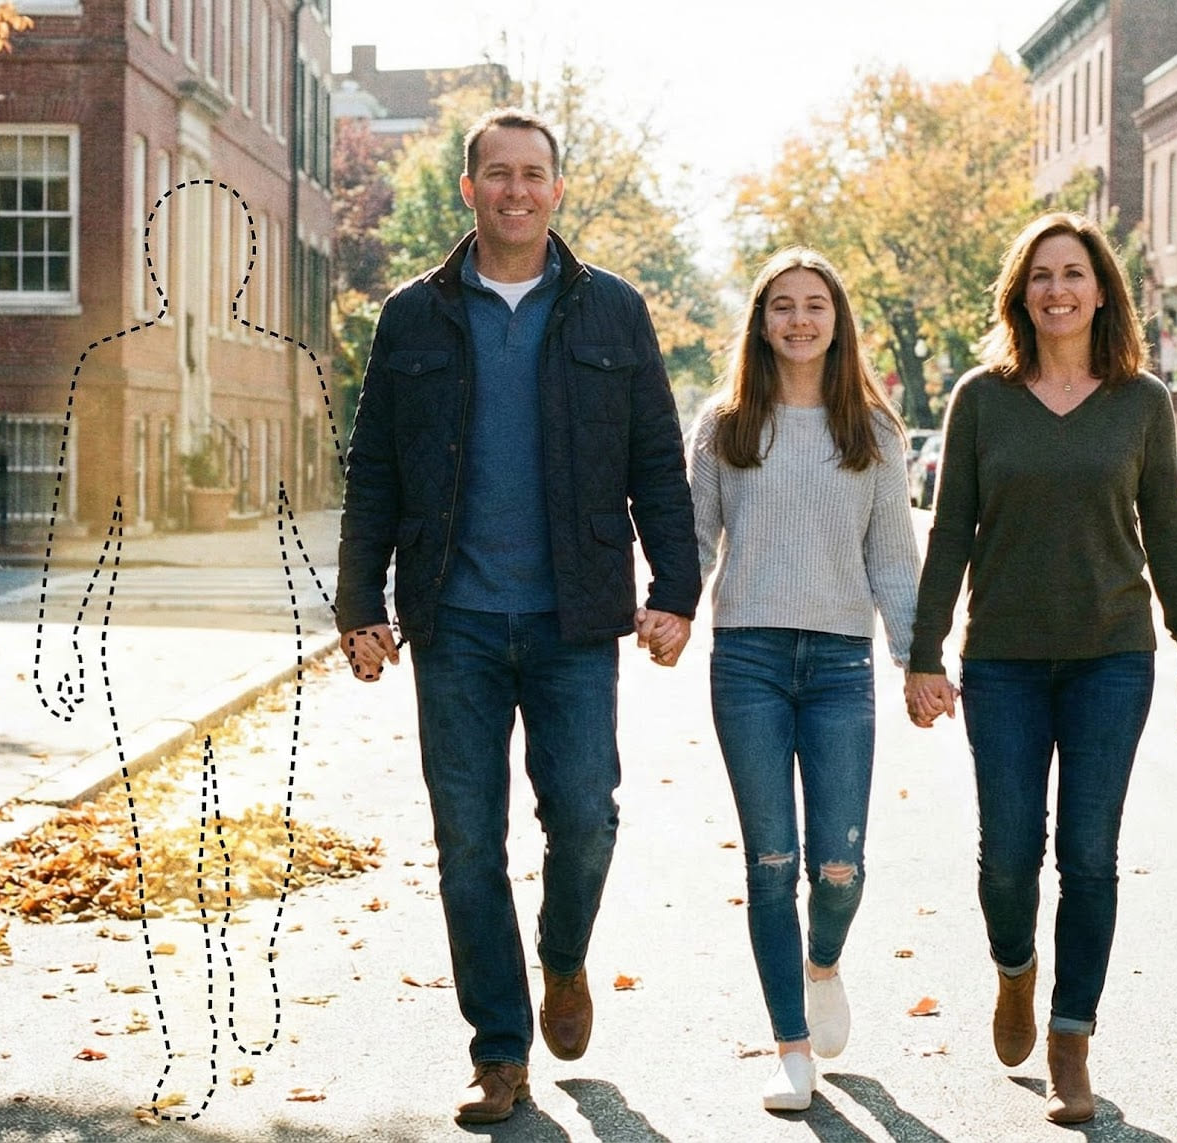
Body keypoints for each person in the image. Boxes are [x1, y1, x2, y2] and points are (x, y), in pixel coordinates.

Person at [333, 107, 702, 1126]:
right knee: (466, 844)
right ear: (468, 189)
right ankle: (499, 1051)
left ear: (556, 189)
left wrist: (674, 590)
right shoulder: (412, 315)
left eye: (533, 174)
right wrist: (359, 602)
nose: (515, 191)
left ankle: (564, 956)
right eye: (496, 174)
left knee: (584, 818)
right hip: (451, 622)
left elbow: (655, 467)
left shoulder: (610, 312)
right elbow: (371, 472)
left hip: (574, 619)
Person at [902, 213, 1177, 1126]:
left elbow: (1168, 532)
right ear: (1020, 292)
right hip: (1000, 659)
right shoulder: (981, 398)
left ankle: (1070, 1040)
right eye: (1040, 276)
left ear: (1101, 289)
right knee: (1008, 857)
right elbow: (951, 529)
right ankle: (1014, 971)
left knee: (1089, 856)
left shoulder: (1142, 401)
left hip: (1113, 657)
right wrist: (925, 654)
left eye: (1073, 273)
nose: (1057, 290)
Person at [687, 248, 919, 1112]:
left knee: (838, 863)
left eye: (814, 304)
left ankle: (824, 962)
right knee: (772, 857)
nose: (798, 319)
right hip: (745, 658)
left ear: (837, 318)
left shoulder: (874, 430)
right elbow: (693, 538)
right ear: (761, 320)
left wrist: (916, 659)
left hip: (838, 666)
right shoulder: (725, 424)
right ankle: (790, 1046)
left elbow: (894, 559)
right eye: (781, 305)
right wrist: (669, 611)